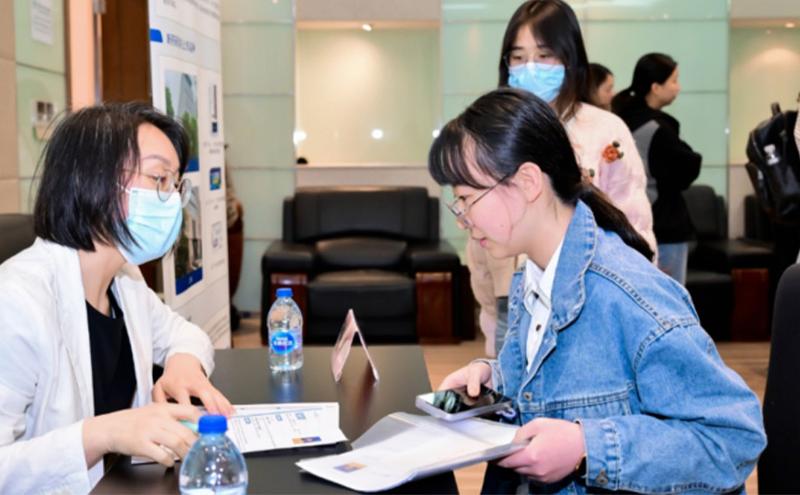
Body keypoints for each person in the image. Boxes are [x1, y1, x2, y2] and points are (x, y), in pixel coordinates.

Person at [432, 88, 765, 494]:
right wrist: (494, 380)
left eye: (466, 198)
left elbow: (732, 438)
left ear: (528, 182)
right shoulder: (532, 278)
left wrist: (588, 448)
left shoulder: (627, 294)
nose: (463, 218)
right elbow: (559, 387)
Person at [0, 102, 235, 493]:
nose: (172, 200)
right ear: (93, 180)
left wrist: (183, 364)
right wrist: (103, 434)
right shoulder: (16, 300)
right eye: (159, 178)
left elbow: (182, 333)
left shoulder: (124, 280)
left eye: (175, 184)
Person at [468, 0, 655, 357]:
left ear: (570, 60)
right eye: (518, 57)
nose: (530, 68)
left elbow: (634, 223)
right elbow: (479, 238)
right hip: (512, 298)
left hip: (588, 298)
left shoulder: (604, 130)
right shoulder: (491, 133)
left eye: (544, 56)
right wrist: (491, 317)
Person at [613, 53, 701, 285]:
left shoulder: (620, 118)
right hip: (662, 225)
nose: (678, 87)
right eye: (674, 80)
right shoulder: (657, 128)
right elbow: (687, 167)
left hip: (626, 225)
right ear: (655, 87)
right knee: (668, 299)